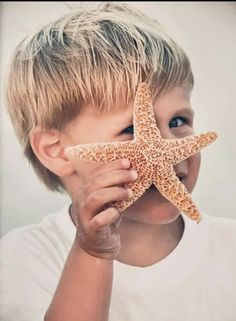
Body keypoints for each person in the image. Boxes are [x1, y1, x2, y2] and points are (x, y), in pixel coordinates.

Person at [1, 3, 236, 321]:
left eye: (178, 121)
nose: (169, 148)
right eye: (132, 129)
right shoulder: (25, 256)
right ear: (56, 150)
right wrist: (91, 252)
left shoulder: (229, 246)